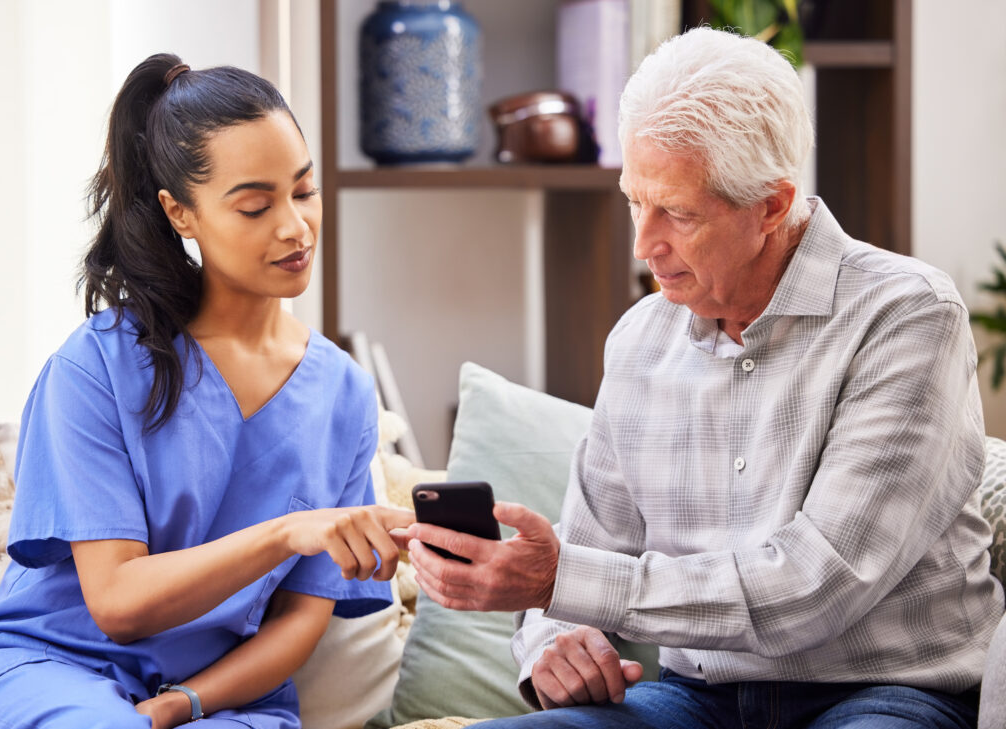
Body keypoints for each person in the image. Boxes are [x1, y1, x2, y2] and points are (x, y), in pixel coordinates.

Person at [406, 27, 1004, 729]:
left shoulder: (907, 317)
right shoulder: (638, 340)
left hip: (885, 693)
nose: (643, 243)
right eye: (635, 200)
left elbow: (815, 586)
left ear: (772, 207)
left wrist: (562, 576)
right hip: (699, 701)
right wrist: (553, 640)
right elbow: (590, 549)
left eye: (678, 213)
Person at [0, 53, 414, 729]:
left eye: (303, 191)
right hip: (57, 671)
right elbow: (118, 602)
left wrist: (185, 703)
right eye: (254, 205)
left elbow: (303, 616)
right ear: (181, 213)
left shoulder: (343, 394)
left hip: (221, 698)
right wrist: (285, 533)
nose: (294, 226)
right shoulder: (94, 368)